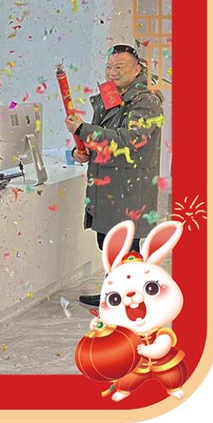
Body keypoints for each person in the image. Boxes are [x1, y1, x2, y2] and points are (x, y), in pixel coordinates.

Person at [65, 44, 165, 307]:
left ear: (137, 68)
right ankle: (115, 294)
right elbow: (102, 136)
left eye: (120, 67)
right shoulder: (110, 94)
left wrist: (84, 130)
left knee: (126, 247)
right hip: (108, 185)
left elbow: (129, 141)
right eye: (109, 66)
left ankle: (128, 301)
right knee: (109, 243)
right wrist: (82, 151)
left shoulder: (146, 101)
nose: (112, 72)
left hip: (130, 188)